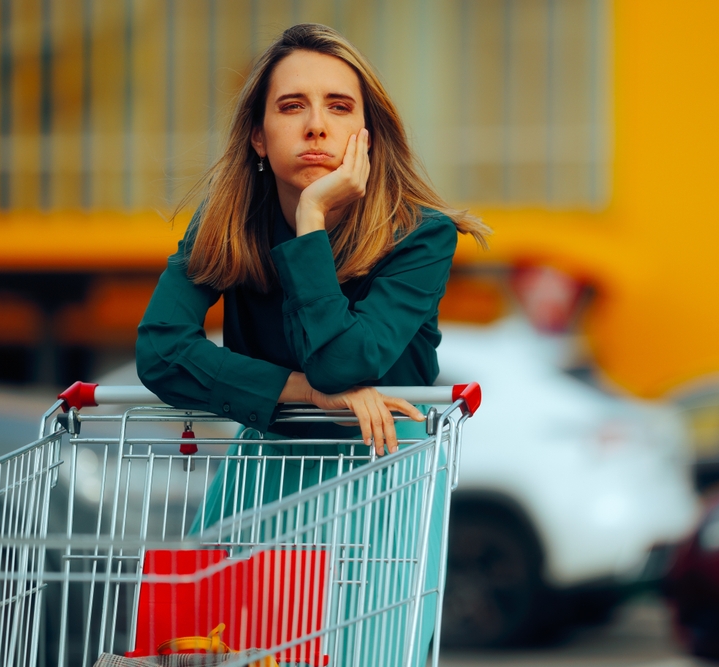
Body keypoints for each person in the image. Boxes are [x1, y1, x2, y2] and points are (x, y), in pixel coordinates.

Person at [135, 22, 489, 667]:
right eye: (291, 106)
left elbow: (344, 362)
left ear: (367, 136)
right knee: (228, 653)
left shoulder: (421, 236)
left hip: (382, 475)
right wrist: (298, 392)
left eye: (339, 106)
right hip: (265, 472)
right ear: (257, 136)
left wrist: (309, 224)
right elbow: (162, 348)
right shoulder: (225, 221)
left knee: (359, 653)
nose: (316, 126)